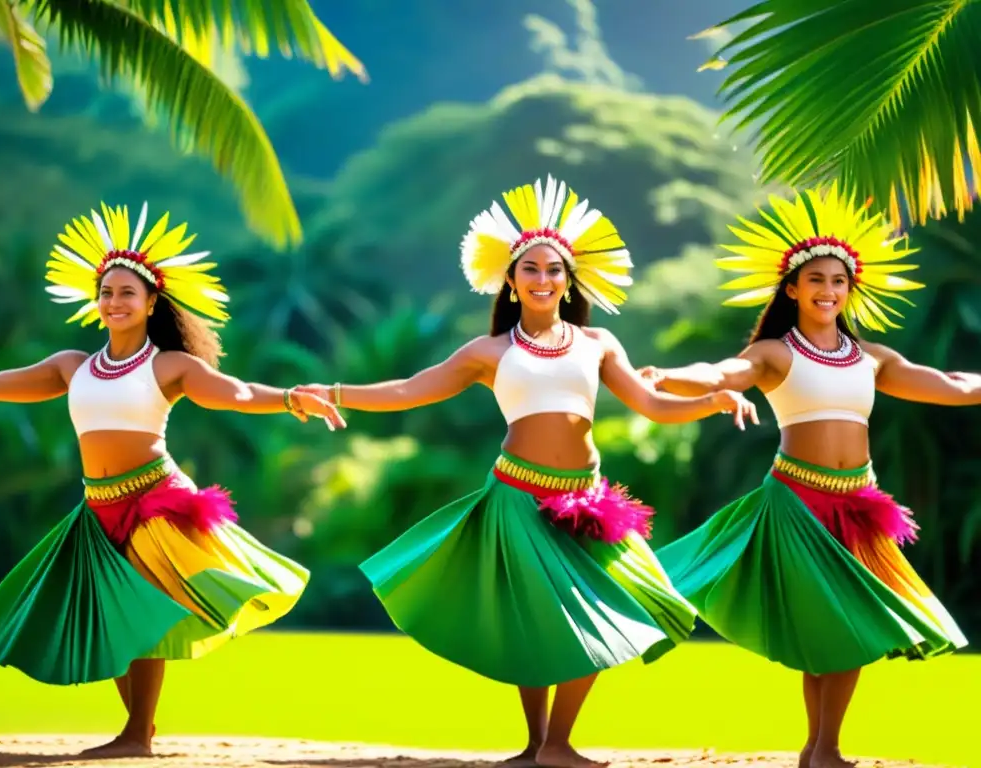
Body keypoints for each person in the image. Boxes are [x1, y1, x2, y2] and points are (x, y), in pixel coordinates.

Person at [294, 176, 759, 768]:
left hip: (587, 502)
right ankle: (541, 746)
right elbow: (410, 390)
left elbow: (652, 404)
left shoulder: (597, 342)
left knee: (609, 608)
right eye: (531, 270)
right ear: (510, 282)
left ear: (570, 279)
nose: (543, 280)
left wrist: (711, 401)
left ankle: (558, 743)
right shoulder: (489, 352)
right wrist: (333, 391)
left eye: (554, 270)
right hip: (517, 497)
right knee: (536, 618)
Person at [0, 202, 346, 758]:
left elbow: (234, 392)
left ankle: (137, 735)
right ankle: (136, 731)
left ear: (150, 303)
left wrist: (289, 399)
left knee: (139, 611)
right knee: (116, 618)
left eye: (126, 294)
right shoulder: (74, 365)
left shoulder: (169, 366)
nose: (114, 303)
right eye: (107, 293)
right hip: (97, 510)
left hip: (154, 502)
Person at [642, 183, 972, 768]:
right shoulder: (776, 353)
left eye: (838, 281)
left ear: (851, 290)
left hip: (860, 505)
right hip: (798, 505)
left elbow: (951, 385)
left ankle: (821, 750)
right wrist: (669, 376)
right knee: (834, 629)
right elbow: (722, 371)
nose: (827, 290)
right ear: (792, 287)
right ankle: (823, 751)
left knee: (846, 632)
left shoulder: (872, 357)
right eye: (816, 279)